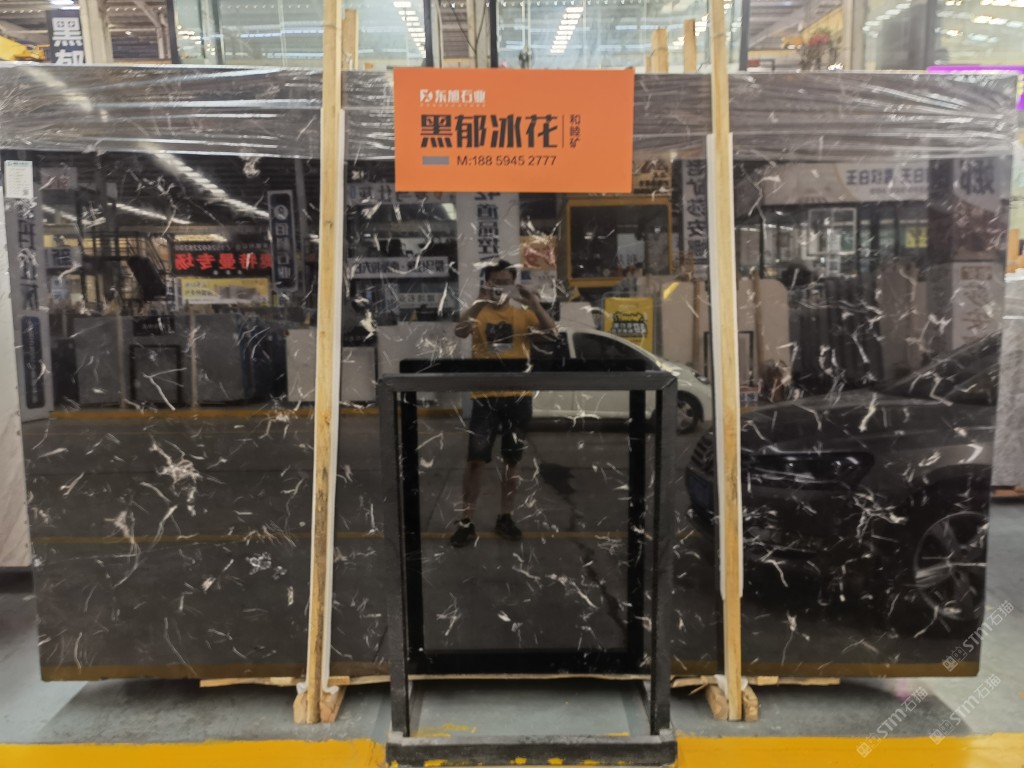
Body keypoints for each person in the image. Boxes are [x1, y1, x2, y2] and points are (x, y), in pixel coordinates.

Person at [450, 260, 556, 548]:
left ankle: (505, 516)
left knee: (512, 461)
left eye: (505, 282)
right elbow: (459, 331)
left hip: (517, 398)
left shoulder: (522, 314)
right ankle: (466, 521)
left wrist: (534, 303)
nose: (500, 287)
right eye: (495, 282)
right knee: (475, 461)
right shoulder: (478, 313)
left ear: (513, 284)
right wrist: (478, 301)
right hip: (484, 399)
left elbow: (552, 333)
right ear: (487, 283)